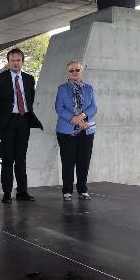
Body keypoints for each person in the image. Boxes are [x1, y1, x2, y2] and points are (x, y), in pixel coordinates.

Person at [0, 48, 42, 204]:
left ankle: (22, 191)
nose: (16, 63)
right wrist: (3, 114)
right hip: (7, 122)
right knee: (7, 158)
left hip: (24, 121)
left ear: (22, 62)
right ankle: (6, 193)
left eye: (18, 60)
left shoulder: (29, 79)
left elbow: (30, 99)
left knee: (21, 158)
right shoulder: (0, 78)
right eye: (13, 60)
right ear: (8, 62)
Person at [55, 61, 97, 201]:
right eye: (71, 70)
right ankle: (67, 190)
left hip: (87, 130)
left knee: (83, 161)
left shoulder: (89, 89)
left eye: (77, 70)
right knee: (68, 161)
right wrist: (75, 119)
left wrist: (82, 116)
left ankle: (82, 189)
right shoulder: (62, 88)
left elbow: (94, 107)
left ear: (82, 70)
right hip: (66, 131)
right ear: (68, 72)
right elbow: (59, 108)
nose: (74, 72)